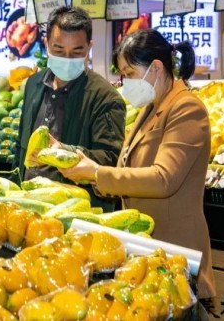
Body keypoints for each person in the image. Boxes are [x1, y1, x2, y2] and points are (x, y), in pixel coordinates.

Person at [58, 29, 216, 301]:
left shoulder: (187, 109)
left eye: (129, 73)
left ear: (155, 68)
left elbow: (164, 178)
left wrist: (97, 173)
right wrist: (85, 170)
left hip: (176, 250)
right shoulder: (151, 107)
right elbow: (129, 168)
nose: (124, 82)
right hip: (148, 248)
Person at [16, 6, 126, 211]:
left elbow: (111, 159)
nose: (67, 59)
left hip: (76, 213)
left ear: (89, 47)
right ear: (47, 44)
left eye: (77, 52)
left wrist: (65, 152)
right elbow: (20, 147)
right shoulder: (33, 84)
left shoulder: (105, 98)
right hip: (29, 205)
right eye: (59, 51)